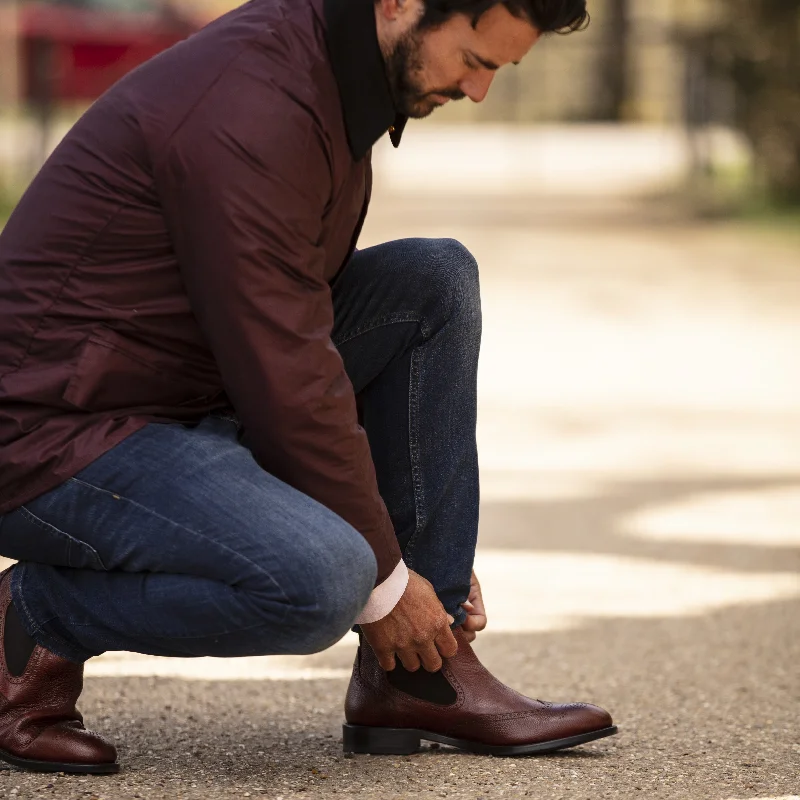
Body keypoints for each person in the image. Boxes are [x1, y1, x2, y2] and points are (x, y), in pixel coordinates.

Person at [0, 0, 617, 774]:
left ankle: (421, 671)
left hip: (179, 389)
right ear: (400, 5)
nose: (478, 89)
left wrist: (415, 558)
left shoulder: (331, 68)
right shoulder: (253, 103)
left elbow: (297, 336)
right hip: (54, 434)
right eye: (474, 60)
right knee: (323, 579)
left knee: (432, 283)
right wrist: (388, 578)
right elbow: (284, 367)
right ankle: (33, 616)